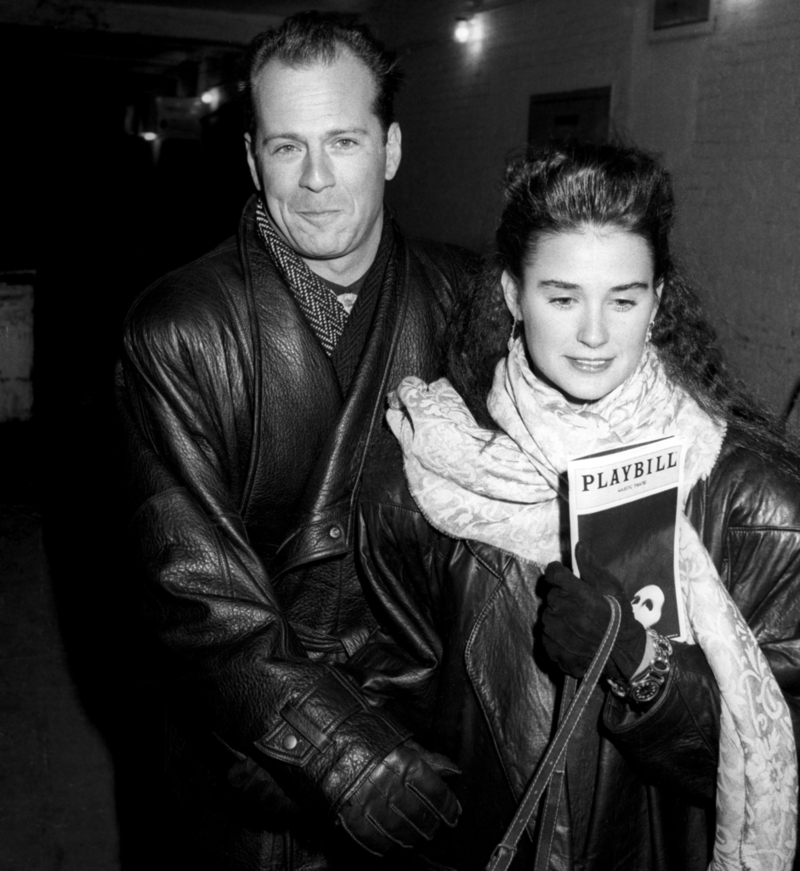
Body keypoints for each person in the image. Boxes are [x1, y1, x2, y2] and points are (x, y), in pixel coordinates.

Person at [356, 140, 800, 870]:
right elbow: (396, 696)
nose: (593, 334)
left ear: (656, 301)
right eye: (562, 297)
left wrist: (642, 665)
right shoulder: (440, 475)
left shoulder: (758, 506)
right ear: (511, 296)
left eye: (622, 298)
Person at [115, 11, 473, 870]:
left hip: (431, 760)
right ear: (252, 159)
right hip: (255, 763)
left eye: (343, 142)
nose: (315, 178)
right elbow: (197, 595)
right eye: (286, 147)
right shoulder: (179, 330)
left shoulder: (468, 303)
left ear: (389, 149)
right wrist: (334, 748)